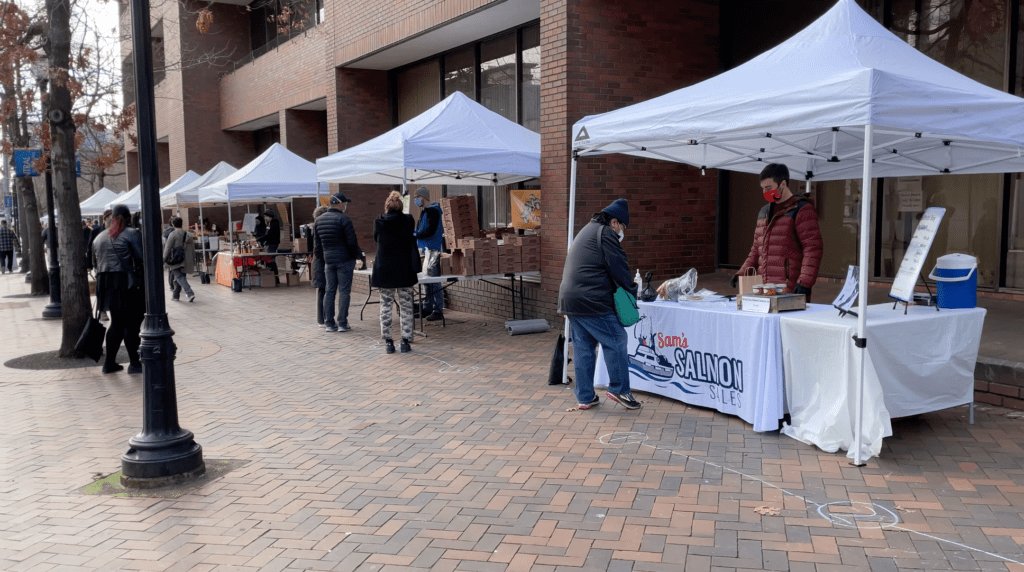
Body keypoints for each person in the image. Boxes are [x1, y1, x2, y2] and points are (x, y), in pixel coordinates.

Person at [557, 198, 641, 411]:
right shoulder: (605, 234)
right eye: (622, 227)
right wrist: (633, 292)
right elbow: (619, 268)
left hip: (571, 300)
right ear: (614, 222)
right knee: (617, 338)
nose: (622, 232)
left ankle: (585, 397)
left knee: (584, 348)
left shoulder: (586, 230)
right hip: (592, 300)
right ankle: (619, 389)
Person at [731, 163, 823, 301]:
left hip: (790, 289)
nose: (765, 193)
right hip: (765, 289)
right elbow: (757, 249)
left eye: (769, 188)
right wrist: (742, 273)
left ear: (783, 184)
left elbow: (813, 247)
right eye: (763, 189)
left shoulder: (801, 209)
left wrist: (805, 282)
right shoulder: (764, 212)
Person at [92, 205, 145, 374]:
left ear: (111, 217)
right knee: (132, 324)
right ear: (128, 217)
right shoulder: (131, 234)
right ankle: (135, 363)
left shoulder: (99, 237)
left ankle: (109, 363)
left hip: (107, 284)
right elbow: (142, 258)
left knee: (116, 323)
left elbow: (95, 263)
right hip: (127, 283)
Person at [372, 191, 421, 353]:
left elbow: (375, 238)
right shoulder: (408, 220)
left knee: (385, 305)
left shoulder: (379, 221)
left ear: (386, 207)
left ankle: (388, 342)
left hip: (384, 269)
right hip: (404, 270)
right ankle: (405, 340)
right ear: (400, 207)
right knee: (406, 305)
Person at [314, 193, 363, 332]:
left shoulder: (319, 220)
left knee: (329, 291)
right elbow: (352, 242)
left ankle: (329, 323)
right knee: (344, 292)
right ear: (341, 204)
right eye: (345, 204)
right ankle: (342, 322)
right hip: (344, 259)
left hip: (328, 261)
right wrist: (357, 256)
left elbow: (317, 246)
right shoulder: (344, 219)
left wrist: (323, 259)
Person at [412, 187, 444, 321]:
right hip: (426, 249)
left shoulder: (433, 211)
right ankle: (427, 306)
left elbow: (430, 230)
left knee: (435, 281)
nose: (415, 200)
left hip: (433, 250)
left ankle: (437, 309)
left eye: (417, 197)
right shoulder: (425, 211)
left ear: (423, 197)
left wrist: (416, 235)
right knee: (426, 280)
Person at [163, 216, 195, 302]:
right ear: (182, 224)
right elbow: (192, 249)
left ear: (173, 224)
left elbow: (167, 248)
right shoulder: (188, 234)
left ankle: (189, 293)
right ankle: (175, 296)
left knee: (179, 277)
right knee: (179, 278)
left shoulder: (173, 234)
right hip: (185, 260)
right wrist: (193, 260)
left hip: (175, 260)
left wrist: (163, 260)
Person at [311, 206, 329, 328]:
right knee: (323, 290)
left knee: (321, 291)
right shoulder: (319, 228)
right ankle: (322, 319)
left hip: (318, 263)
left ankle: (321, 319)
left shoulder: (315, 227)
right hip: (321, 263)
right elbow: (318, 249)